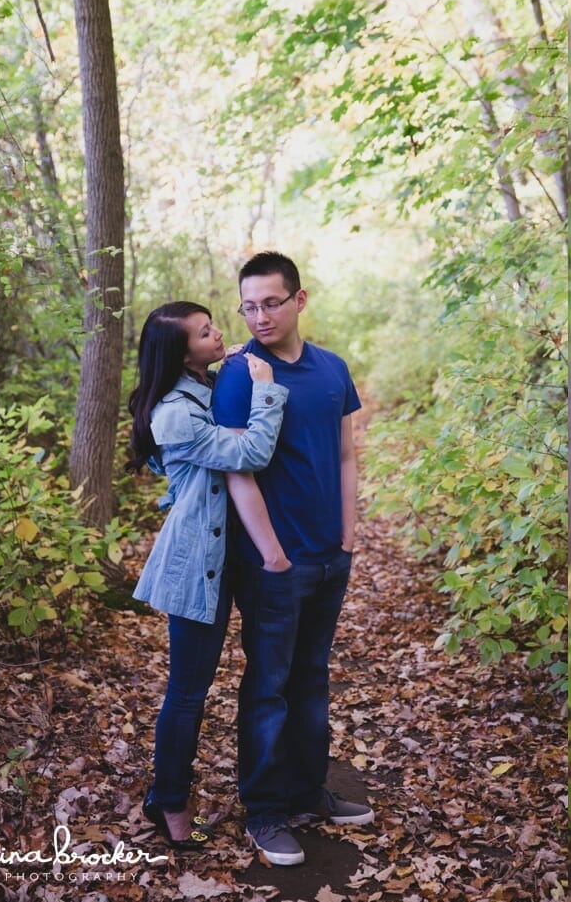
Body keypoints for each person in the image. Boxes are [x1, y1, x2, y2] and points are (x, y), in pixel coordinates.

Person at [210, 251, 370, 867]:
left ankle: (308, 792)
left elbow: (347, 454)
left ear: (298, 300)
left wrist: (348, 535)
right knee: (270, 687)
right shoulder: (240, 375)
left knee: (312, 681)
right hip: (274, 564)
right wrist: (273, 555)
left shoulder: (332, 370)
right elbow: (236, 470)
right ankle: (266, 812)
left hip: (331, 556)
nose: (258, 316)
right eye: (248, 306)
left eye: (270, 303)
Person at [126, 301, 289, 851]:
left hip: (233, 555)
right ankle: (169, 800)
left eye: (212, 323)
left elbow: (224, 399)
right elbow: (251, 450)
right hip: (195, 561)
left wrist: (239, 363)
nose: (218, 332)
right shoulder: (172, 411)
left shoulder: (206, 383)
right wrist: (266, 389)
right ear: (180, 351)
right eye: (204, 332)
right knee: (189, 692)